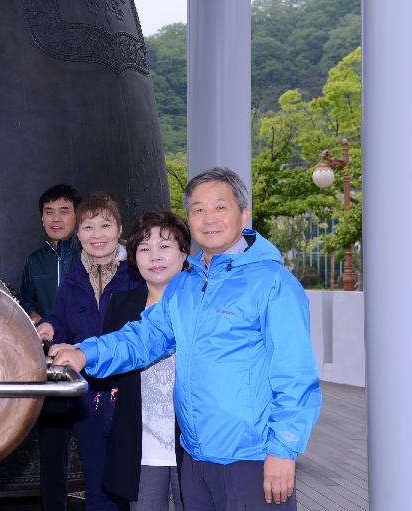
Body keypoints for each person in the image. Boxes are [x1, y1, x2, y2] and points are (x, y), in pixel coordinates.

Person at [53, 167, 322, 510]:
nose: (208, 218)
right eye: (198, 210)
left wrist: (283, 450)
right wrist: (84, 353)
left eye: (220, 207)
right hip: (195, 459)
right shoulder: (186, 285)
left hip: (251, 458)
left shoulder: (273, 283)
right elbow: (143, 338)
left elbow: (296, 375)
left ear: (244, 214)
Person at [36, 193, 142, 511]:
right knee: (96, 484)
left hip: (127, 394)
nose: (97, 235)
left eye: (105, 225)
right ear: (78, 233)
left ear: (119, 228)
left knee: (127, 485)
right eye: (88, 227)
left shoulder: (136, 276)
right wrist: (51, 329)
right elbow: (62, 320)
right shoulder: (72, 280)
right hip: (88, 398)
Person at [100, 210, 189, 510]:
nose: (155, 256)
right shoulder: (122, 305)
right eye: (144, 249)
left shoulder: (200, 303)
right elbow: (109, 364)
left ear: (183, 253)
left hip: (192, 442)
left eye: (164, 246)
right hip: (142, 444)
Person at [17, 183, 81, 511]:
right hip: (51, 369)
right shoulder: (35, 261)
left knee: (97, 451)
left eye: (63, 211)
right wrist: (38, 318)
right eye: (49, 212)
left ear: (77, 214)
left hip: (89, 364)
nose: (56, 218)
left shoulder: (88, 255)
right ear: (41, 218)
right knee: (52, 456)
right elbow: (25, 301)